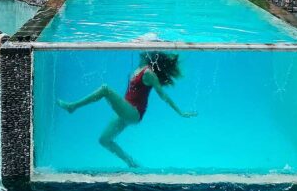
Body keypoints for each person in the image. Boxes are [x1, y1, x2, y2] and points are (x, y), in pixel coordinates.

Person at [57, 51, 196, 168]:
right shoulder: (138, 68)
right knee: (104, 140)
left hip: (134, 113)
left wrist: (180, 112)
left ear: (148, 54)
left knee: (105, 89)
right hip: (127, 108)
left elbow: (163, 95)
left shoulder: (148, 73)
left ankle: (72, 106)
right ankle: (132, 163)